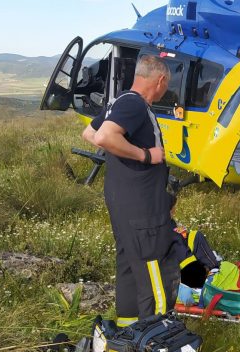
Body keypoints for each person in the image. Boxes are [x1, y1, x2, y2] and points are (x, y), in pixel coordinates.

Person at [82, 55, 180, 328]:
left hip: (123, 202)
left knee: (129, 266)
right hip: (142, 208)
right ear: (160, 80)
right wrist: (146, 156)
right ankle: (157, 334)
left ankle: (127, 331)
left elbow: (89, 133)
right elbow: (102, 137)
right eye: (166, 84)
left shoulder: (120, 101)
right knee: (154, 270)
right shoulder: (135, 105)